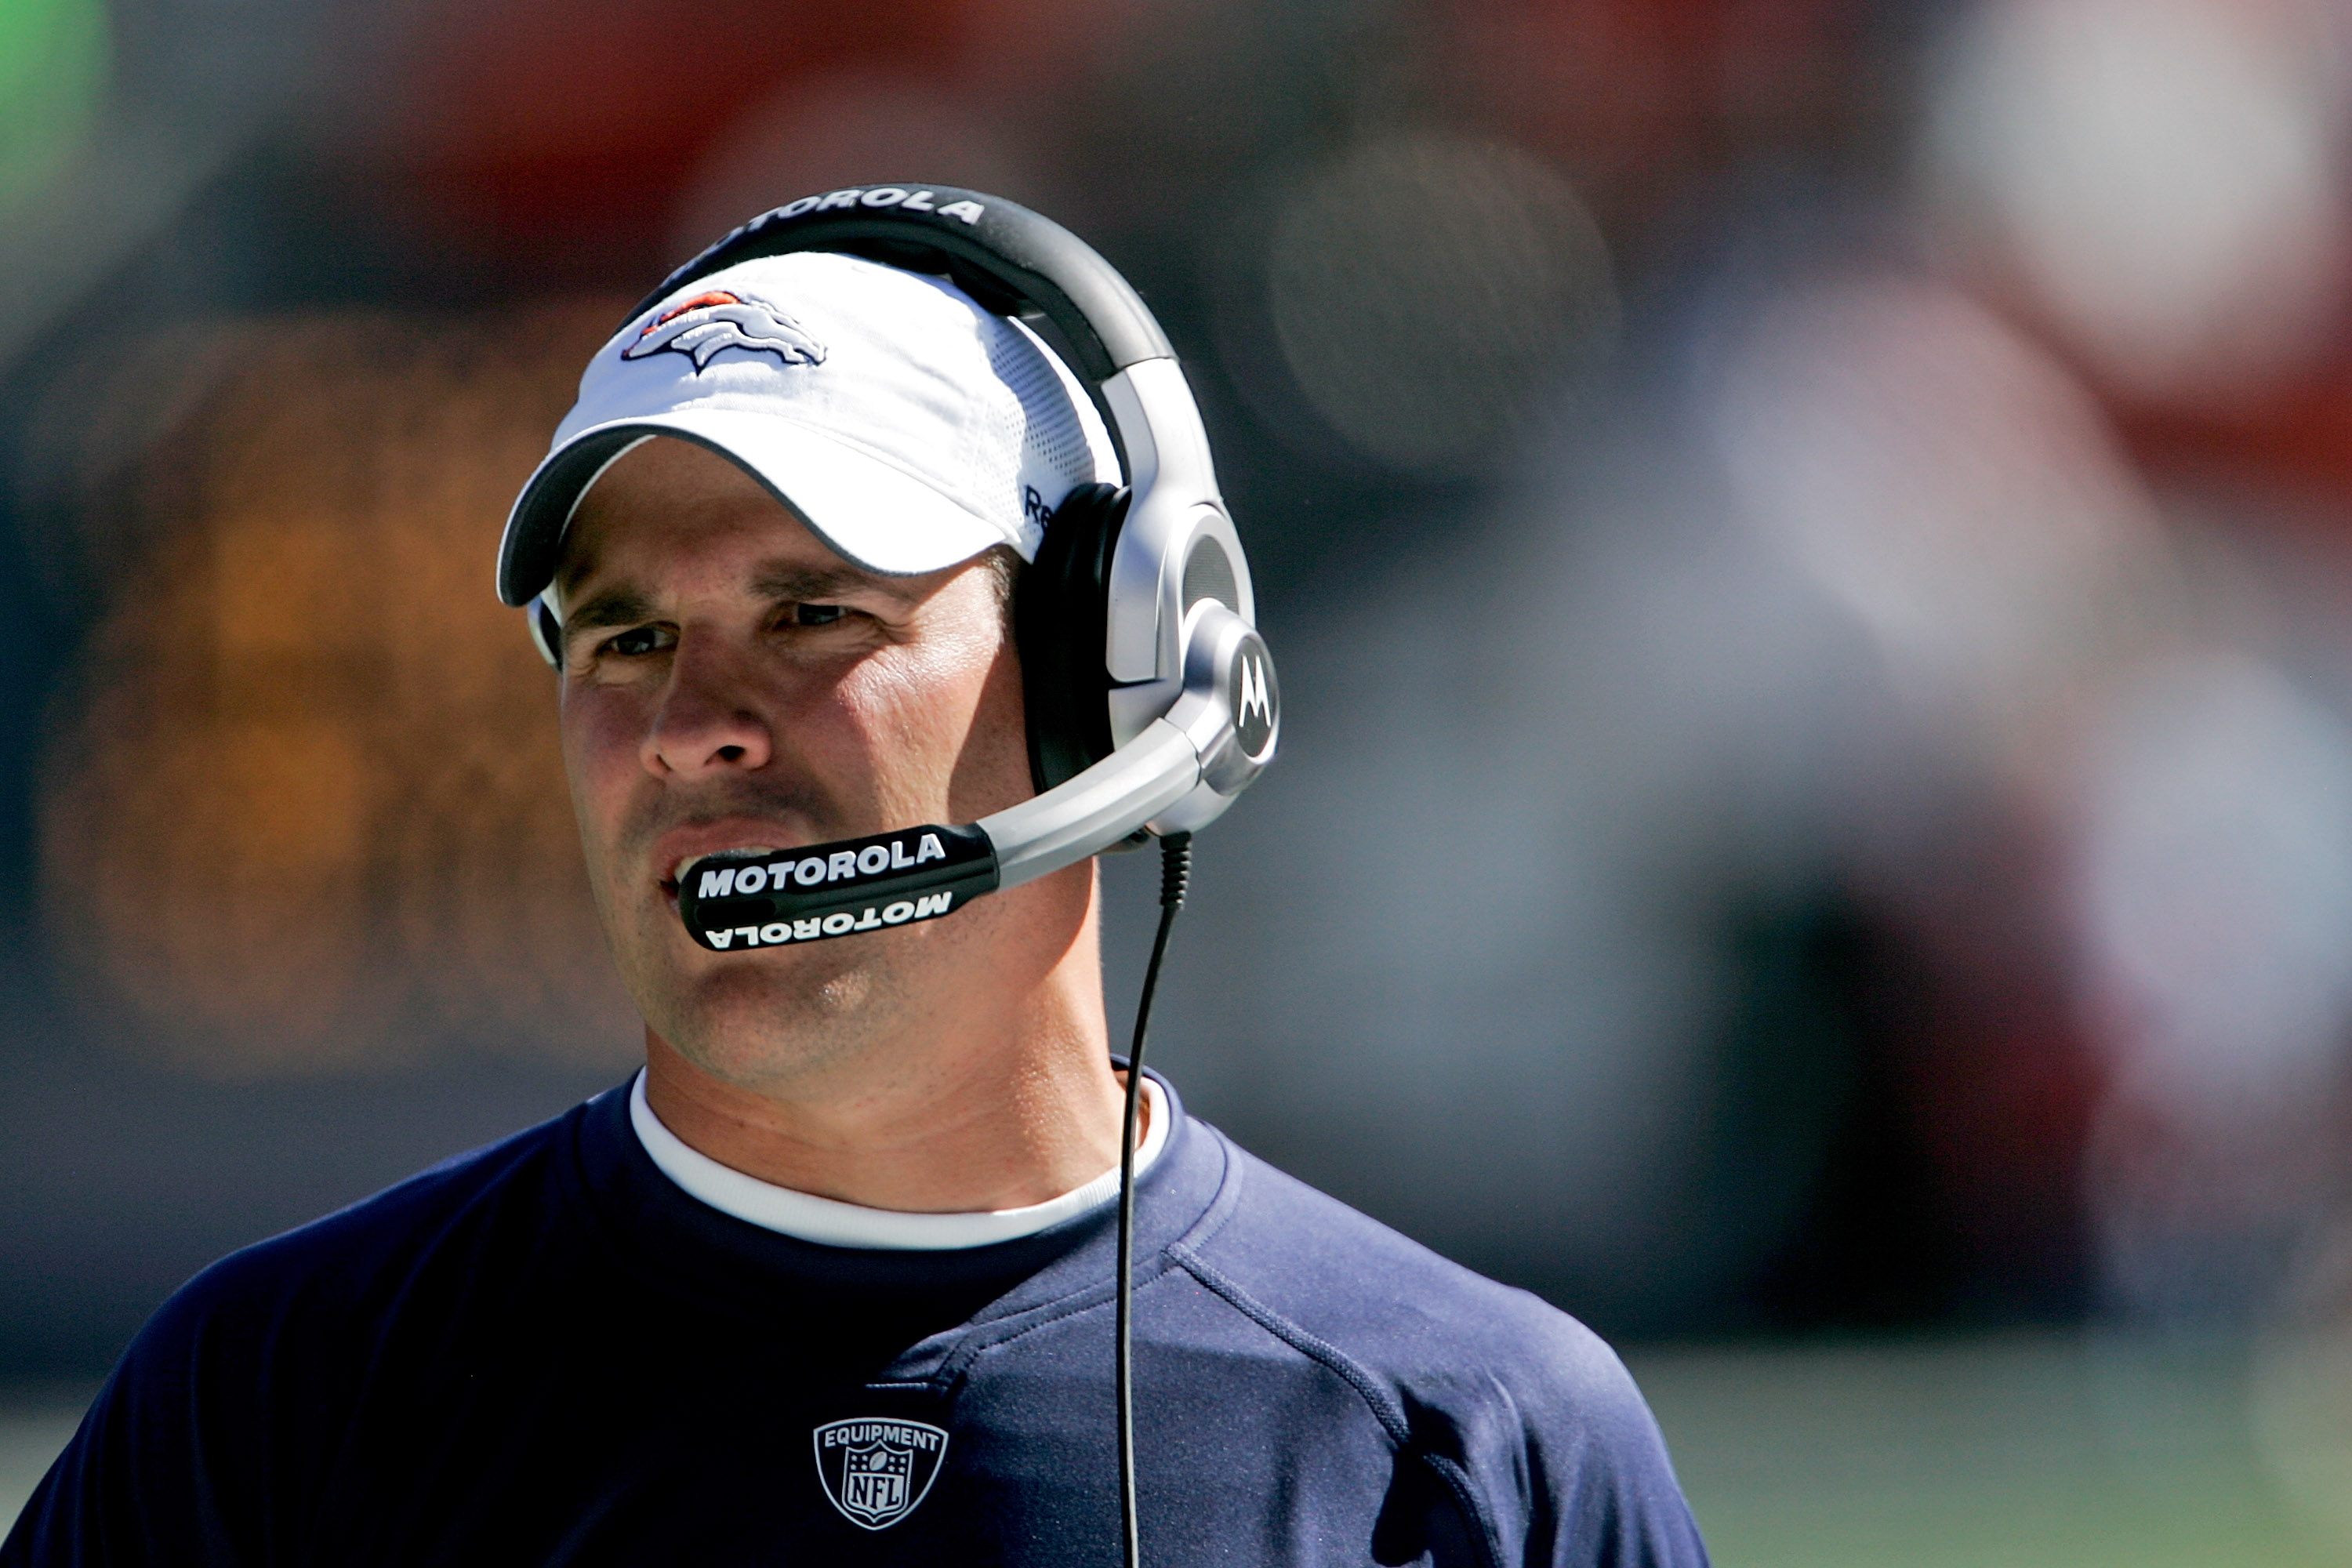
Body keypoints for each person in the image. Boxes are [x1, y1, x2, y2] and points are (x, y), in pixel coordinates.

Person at [3, 200, 1709, 1566]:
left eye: (812, 613)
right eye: (629, 637)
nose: (690, 730)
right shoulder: (275, 1404)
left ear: (1107, 670)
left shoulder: (1470, 1446)